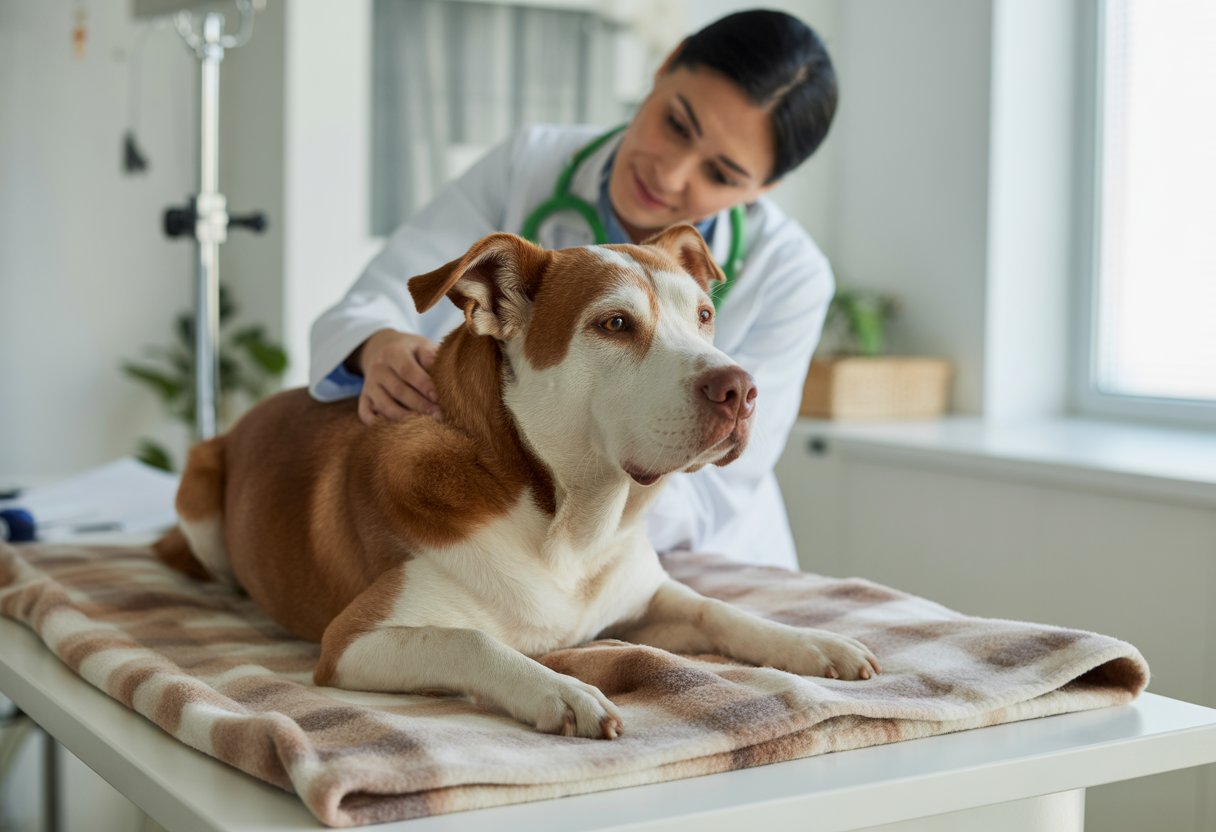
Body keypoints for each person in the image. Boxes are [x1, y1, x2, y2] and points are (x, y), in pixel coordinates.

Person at [309, 9, 837, 570]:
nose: (671, 174)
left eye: (722, 175)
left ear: (766, 186)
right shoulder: (528, 163)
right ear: (663, 68)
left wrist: (547, 508)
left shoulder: (790, 271)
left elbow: (716, 480)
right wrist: (378, 345)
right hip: (497, 537)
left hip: (683, 555)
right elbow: (382, 296)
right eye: (677, 125)